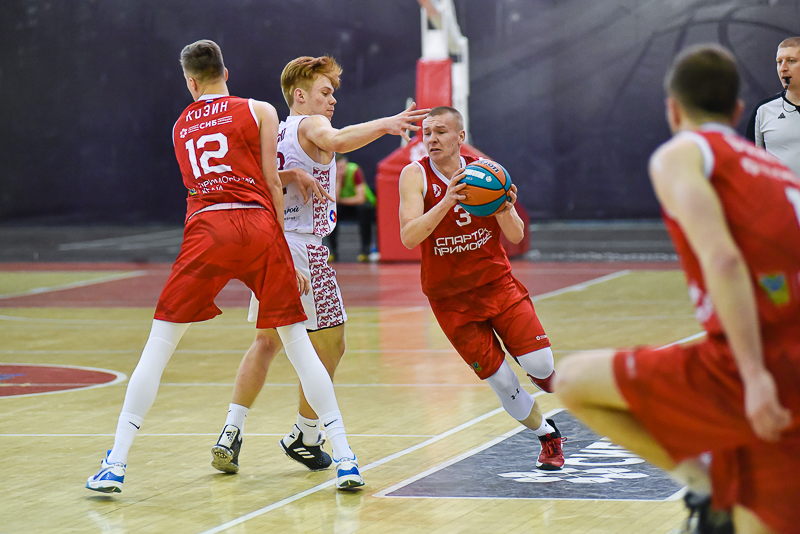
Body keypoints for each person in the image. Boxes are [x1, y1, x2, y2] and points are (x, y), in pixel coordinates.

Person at [86, 40, 363, 493]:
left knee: (158, 347)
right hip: (258, 227)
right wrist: (281, 253)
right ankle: (346, 459)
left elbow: (200, 185)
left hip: (207, 228)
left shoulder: (180, 125)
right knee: (299, 345)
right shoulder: (259, 110)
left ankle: (115, 462)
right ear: (226, 73)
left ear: (191, 82)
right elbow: (269, 182)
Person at [555, 45, 800, 534]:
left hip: (749, 363)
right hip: (792, 356)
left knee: (572, 381)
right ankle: (720, 494)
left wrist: (754, 376)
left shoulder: (684, 153)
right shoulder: (775, 172)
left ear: (672, 109)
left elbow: (723, 258)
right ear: (737, 111)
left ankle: (704, 485)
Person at [210, 55, 428, 475]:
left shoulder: (273, 131)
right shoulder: (310, 124)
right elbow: (339, 139)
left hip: (272, 244)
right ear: (300, 95)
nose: (332, 100)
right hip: (304, 249)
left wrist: (292, 175)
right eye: (325, 92)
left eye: (332, 93)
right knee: (332, 344)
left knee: (266, 343)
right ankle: (307, 434)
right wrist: (387, 124)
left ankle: (230, 431)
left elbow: (260, 182)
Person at [397, 106, 565, 470]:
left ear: (460, 137)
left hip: (496, 284)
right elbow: (409, 237)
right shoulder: (414, 175)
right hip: (450, 299)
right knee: (503, 383)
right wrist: (447, 200)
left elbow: (516, 236)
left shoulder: (487, 173)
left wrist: (505, 208)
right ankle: (546, 434)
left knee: (541, 366)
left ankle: (551, 375)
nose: (432, 139)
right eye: (427, 133)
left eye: (441, 132)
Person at [745, 37, 800, 176]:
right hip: (781, 190)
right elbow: (752, 165)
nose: (783, 68)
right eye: (779, 62)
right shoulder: (764, 110)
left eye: (791, 61)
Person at [326, 153, 377, 262]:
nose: (341, 170)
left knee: (364, 210)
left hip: (359, 205)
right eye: (338, 168)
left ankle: (365, 251)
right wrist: (339, 181)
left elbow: (360, 198)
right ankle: (332, 251)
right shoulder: (330, 174)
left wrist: (341, 200)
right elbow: (333, 199)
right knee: (331, 212)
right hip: (344, 205)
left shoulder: (354, 171)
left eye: (342, 167)